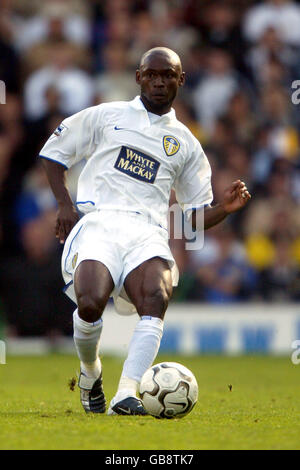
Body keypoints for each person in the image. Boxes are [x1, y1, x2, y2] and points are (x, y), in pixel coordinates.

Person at [39, 47, 251, 416]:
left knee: (156, 296)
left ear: (181, 81)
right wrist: (63, 204)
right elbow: (54, 152)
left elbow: (192, 216)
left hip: (147, 230)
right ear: (138, 77)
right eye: (151, 74)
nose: (159, 81)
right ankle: (90, 373)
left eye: (168, 75)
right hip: (99, 220)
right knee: (89, 303)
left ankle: (126, 392)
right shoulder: (107, 115)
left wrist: (224, 210)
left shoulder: (185, 142)